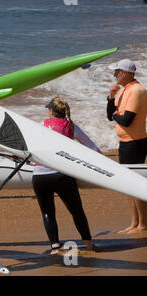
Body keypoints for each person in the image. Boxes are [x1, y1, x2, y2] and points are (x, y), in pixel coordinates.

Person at [32, 97, 101, 254]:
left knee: (48, 212)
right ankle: (89, 245)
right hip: (62, 176)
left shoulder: (42, 125)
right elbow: (92, 148)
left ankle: (55, 247)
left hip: (40, 176)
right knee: (77, 211)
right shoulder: (71, 126)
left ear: (51, 112)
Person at [106, 59, 147, 234]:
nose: (115, 75)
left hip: (135, 142)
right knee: (128, 185)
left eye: (117, 71)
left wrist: (116, 115)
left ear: (127, 73)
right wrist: (111, 97)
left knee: (135, 184)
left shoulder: (137, 90)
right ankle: (134, 222)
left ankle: (142, 224)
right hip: (125, 143)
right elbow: (110, 116)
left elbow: (127, 120)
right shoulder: (125, 90)